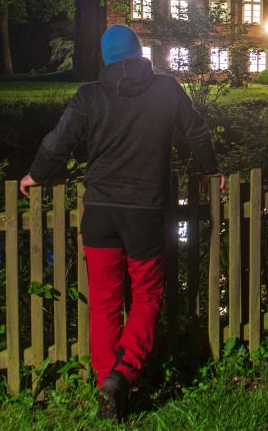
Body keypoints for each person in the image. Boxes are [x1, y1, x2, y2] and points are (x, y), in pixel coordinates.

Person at [19, 25, 223, 421]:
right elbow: (196, 131)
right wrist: (211, 170)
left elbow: (57, 142)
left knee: (105, 302)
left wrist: (36, 175)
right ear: (139, 52)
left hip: (100, 212)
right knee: (147, 297)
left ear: (106, 58)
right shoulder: (166, 89)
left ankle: (105, 385)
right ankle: (122, 376)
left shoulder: (89, 96)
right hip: (145, 212)